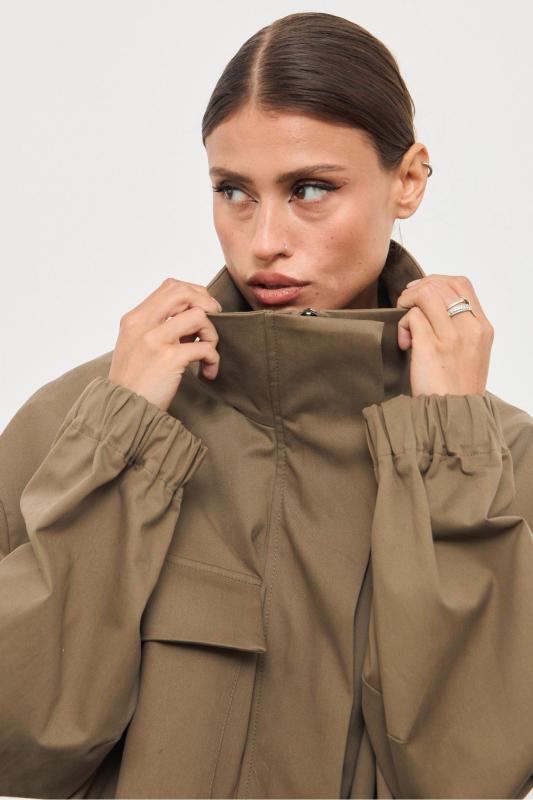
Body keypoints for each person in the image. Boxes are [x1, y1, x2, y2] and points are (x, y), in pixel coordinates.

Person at [0, 10, 532, 800]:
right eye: (233, 192)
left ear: (408, 180)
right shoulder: (84, 423)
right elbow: (20, 744)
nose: (263, 241)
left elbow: (466, 778)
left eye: (311, 189)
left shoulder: (504, 459)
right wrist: (119, 447)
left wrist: (450, 454)